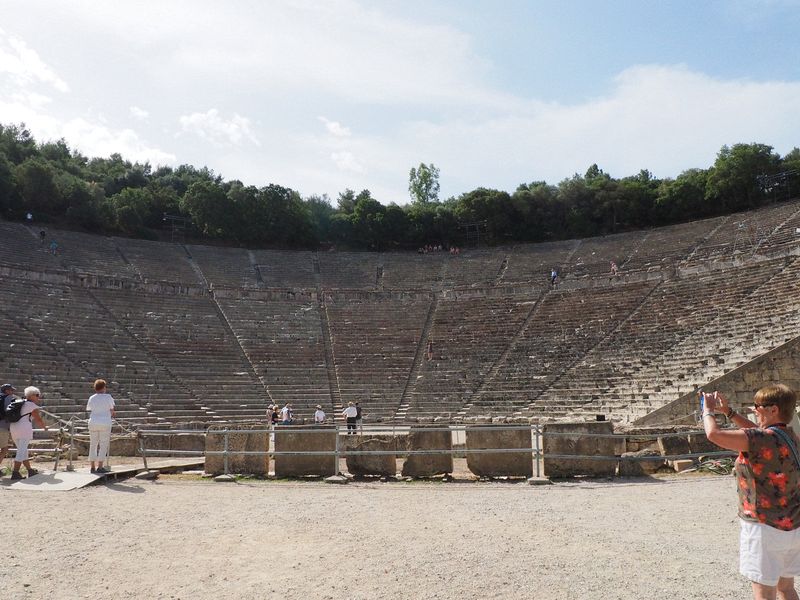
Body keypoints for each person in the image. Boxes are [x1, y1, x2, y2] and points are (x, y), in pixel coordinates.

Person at [703, 385, 800, 600]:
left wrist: (707, 410)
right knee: (786, 588)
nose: (754, 410)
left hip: (764, 528)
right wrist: (729, 413)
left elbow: (713, 434)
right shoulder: (790, 435)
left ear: (773, 410)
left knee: (764, 594)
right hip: (792, 526)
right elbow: (757, 433)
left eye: (758, 406)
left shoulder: (760, 439)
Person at [9, 386, 48, 480]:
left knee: (23, 450)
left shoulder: (20, 403)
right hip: (24, 428)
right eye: (37, 395)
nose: (39, 397)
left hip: (14, 427)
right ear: (31, 396)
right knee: (21, 451)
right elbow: (38, 419)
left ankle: (30, 470)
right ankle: (15, 472)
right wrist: (44, 427)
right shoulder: (31, 405)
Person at [86, 379, 115, 474]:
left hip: (93, 422)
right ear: (104, 387)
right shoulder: (108, 397)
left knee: (93, 444)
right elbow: (112, 410)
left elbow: (89, 409)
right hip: (105, 422)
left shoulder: (92, 397)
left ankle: (92, 467)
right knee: (103, 444)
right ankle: (100, 466)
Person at [0, 383, 16, 475]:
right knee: (4, 448)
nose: (12, 392)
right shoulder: (8, 398)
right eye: (11, 390)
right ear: (6, 390)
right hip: (3, 426)